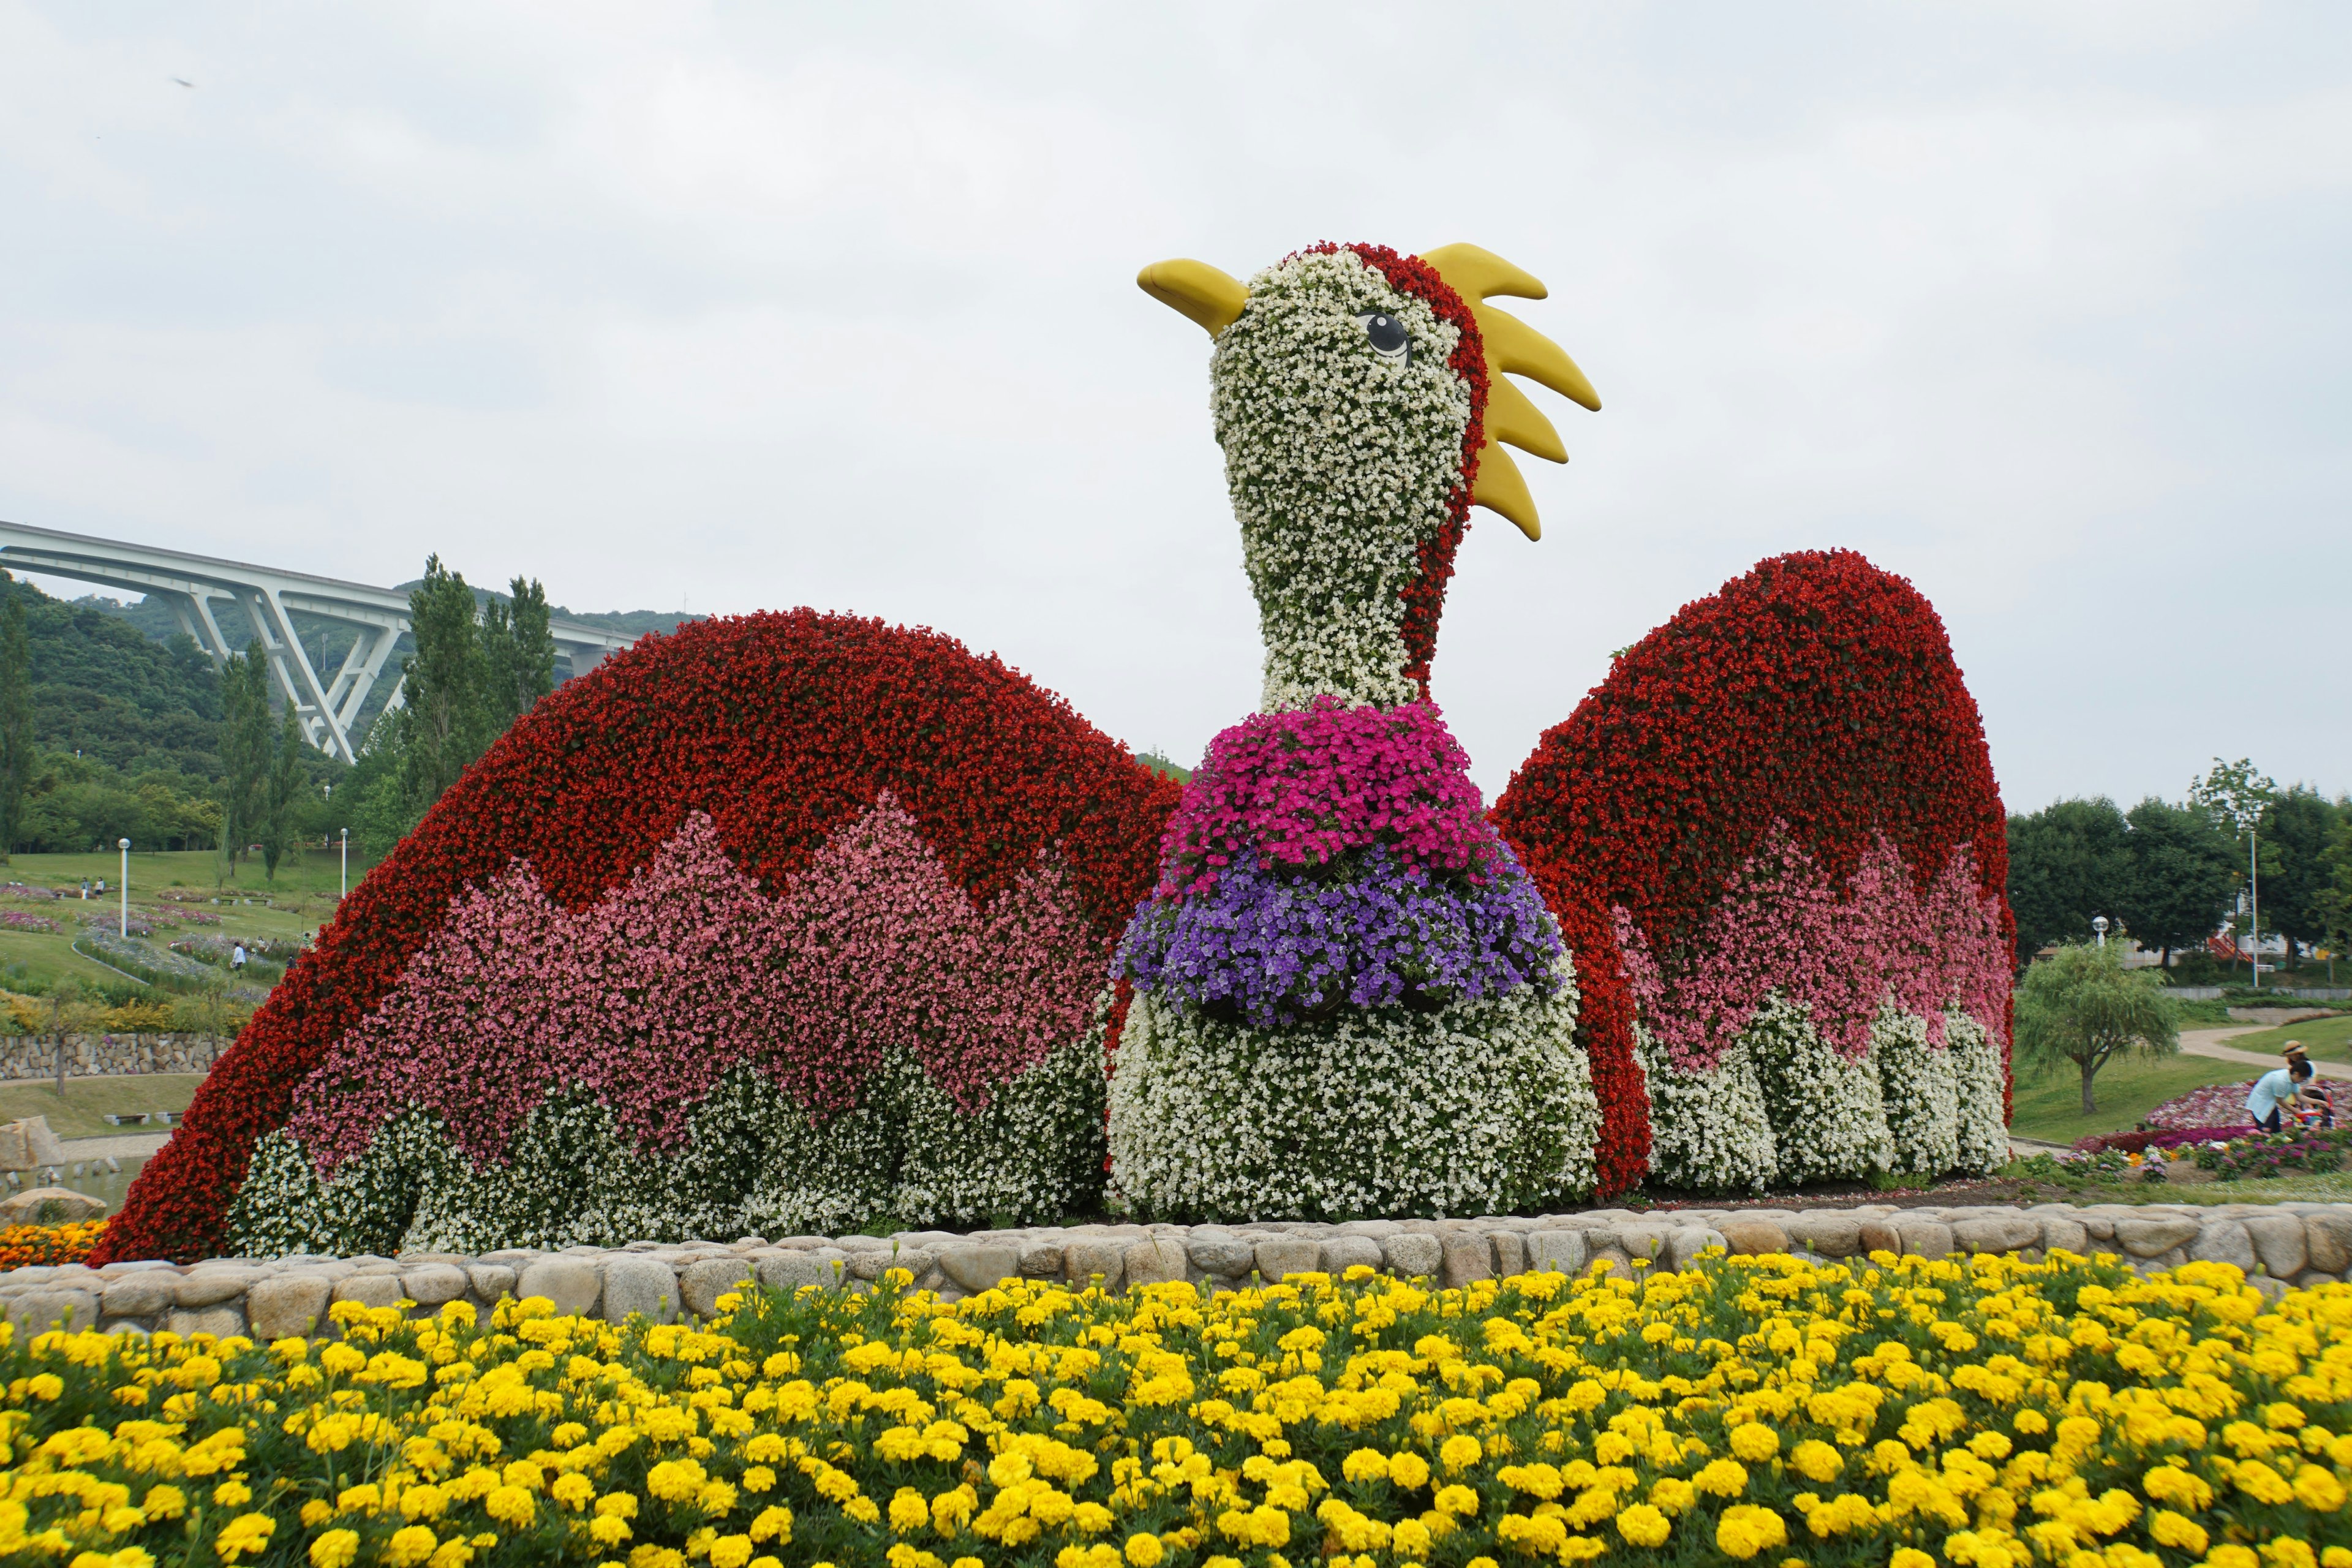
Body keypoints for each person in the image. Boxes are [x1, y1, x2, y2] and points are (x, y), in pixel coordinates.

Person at [2247, 1053, 2316, 1134]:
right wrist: (2298, 1112)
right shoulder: (2280, 1080)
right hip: (2261, 1104)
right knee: (2266, 1132)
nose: (2303, 1082)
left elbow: (2299, 1097)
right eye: (2303, 1079)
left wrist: (2320, 1102)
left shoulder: (2293, 1080)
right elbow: (2280, 1101)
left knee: (2277, 1131)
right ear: (2297, 1074)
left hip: (2270, 1104)